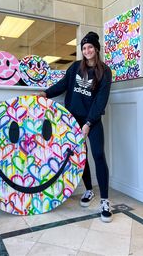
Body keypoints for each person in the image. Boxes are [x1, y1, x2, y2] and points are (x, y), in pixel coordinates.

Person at [39, 31, 113, 223]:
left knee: (98, 155)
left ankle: (105, 200)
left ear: (96, 49)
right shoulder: (74, 68)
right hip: (72, 119)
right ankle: (89, 190)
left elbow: (100, 101)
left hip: (93, 119)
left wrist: (88, 123)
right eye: (84, 48)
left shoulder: (105, 71)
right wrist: (45, 94)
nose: (87, 50)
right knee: (81, 156)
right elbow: (63, 85)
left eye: (90, 47)